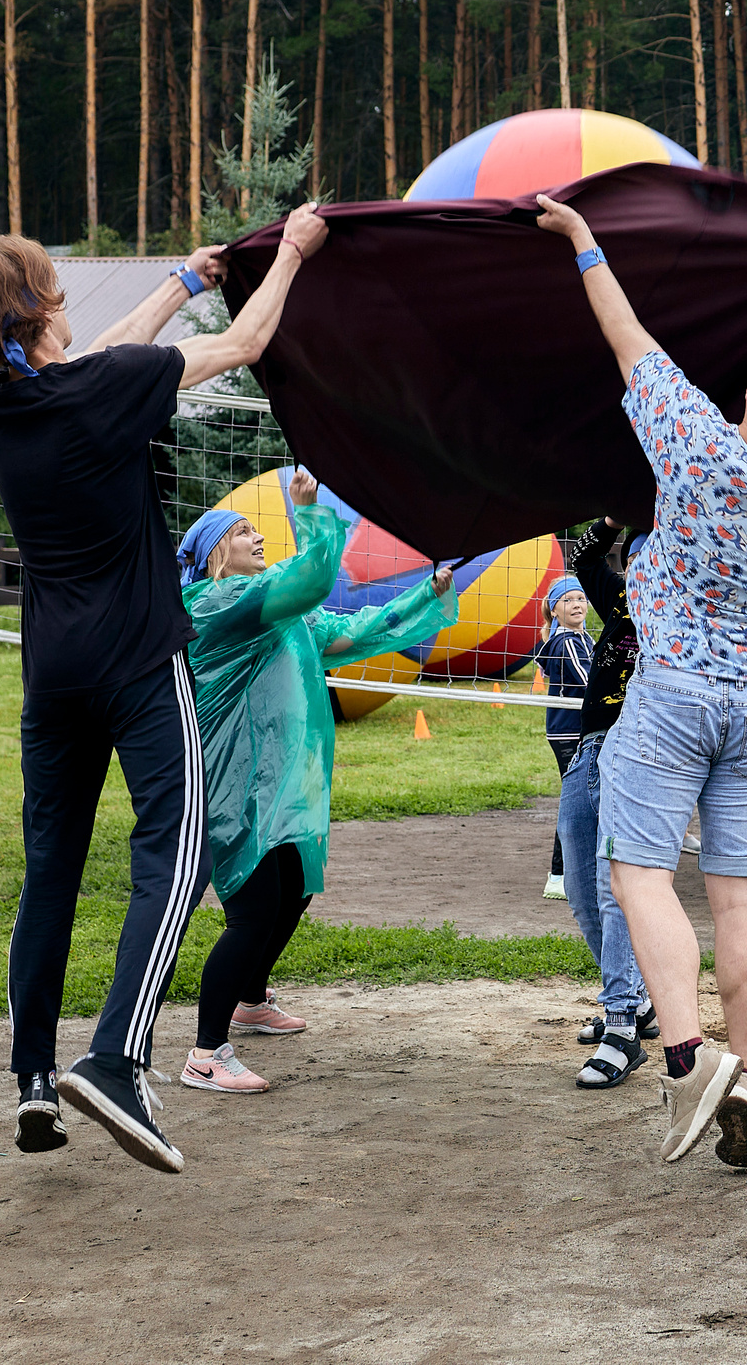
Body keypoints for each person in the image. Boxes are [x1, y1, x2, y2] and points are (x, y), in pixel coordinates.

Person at [0, 207, 325, 1174]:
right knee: (170, 859)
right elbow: (249, 341)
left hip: (53, 680)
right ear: (41, 306)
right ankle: (118, 1062)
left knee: (50, 874)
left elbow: (92, 359)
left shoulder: (3, 403)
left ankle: (34, 1081)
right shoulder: (108, 387)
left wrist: (182, 280)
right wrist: (294, 250)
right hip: (137, 664)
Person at [531, 190, 747, 1168]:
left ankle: (688, 1060)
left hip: (674, 689)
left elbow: (625, 334)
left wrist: (583, 239)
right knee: (742, 900)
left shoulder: (692, 442)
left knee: (638, 870)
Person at [175, 467, 458, 1095]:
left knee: (295, 889)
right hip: (237, 784)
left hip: (287, 786)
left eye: (259, 529)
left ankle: (251, 1001)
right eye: (244, 530)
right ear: (215, 552)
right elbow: (307, 580)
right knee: (251, 912)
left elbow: (361, 631)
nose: (257, 536)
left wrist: (427, 595)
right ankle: (205, 1053)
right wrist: (310, 516)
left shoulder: (282, 613)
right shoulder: (216, 604)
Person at [559, 519, 656, 1087]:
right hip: (588, 746)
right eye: (635, 560)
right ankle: (638, 1003)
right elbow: (585, 556)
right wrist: (616, 521)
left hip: (638, 752)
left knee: (613, 885)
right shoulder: (622, 603)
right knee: (577, 885)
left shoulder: (682, 621)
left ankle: (620, 1022)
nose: (639, 571)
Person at [536, 576, 594, 899]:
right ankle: (558, 875)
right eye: (568, 600)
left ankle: (571, 872)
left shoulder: (584, 638)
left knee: (584, 798)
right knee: (576, 799)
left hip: (578, 729)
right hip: (568, 731)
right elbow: (590, 681)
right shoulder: (566, 642)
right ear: (555, 610)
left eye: (581, 599)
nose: (577, 605)